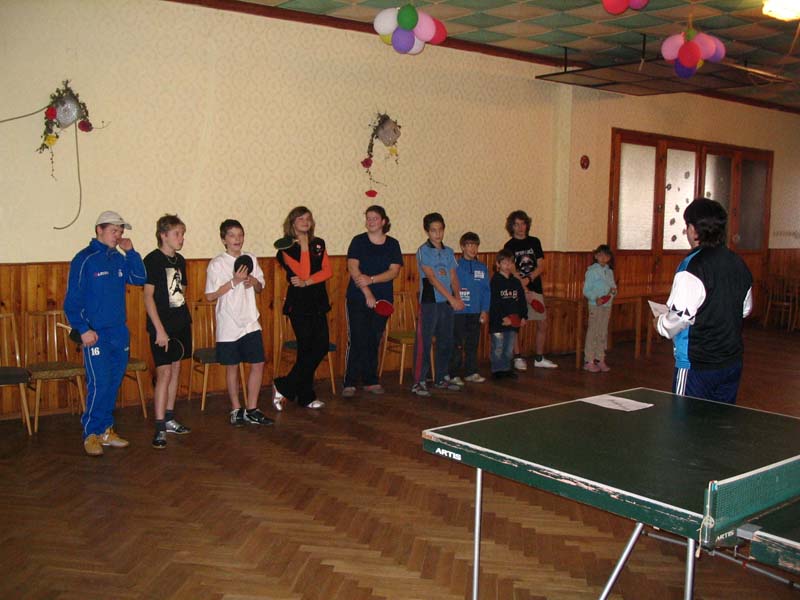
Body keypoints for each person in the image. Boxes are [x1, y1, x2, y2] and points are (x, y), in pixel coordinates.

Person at [64, 210, 147, 457]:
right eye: (113, 231)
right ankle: (91, 433)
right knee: (99, 382)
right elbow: (71, 301)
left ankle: (105, 430)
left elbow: (140, 278)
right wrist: (83, 329)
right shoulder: (84, 259)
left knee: (113, 382)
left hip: (118, 332)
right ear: (99, 230)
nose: (118, 235)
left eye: (120, 231)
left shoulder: (119, 258)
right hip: (95, 334)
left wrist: (131, 252)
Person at [656, 198, 753, 404]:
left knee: (685, 422)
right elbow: (745, 309)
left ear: (693, 230)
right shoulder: (738, 263)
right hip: (731, 362)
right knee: (719, 421)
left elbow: (680, 317)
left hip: (697, 365)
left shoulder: (692, 266)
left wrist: (660, 323)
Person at [204, 219, 273, 426]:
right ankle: (236, 409)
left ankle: (252, 408)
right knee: (232, 367)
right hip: (228, 323)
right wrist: (234, 281)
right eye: (232, 235)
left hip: (250, 320)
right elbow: (210, 295)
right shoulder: (217, 264)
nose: (237, 239)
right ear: (224, 239)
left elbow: (260, 287)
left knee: (258, 363)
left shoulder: (250, 258)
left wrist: (254, 282)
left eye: (240, 235)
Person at [273, 206, 332, 410]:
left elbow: (327, 271)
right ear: (292, 223)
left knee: (320, 346)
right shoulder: (285, 249)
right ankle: (306, 396)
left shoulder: (319, 243)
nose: (305, 221)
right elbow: (303, 271)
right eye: (300, 218)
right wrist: (304, 247)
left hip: (318, 302)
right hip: (298, 305)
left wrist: (307, 282)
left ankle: (285, 385)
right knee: (306, 350)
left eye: (308, 218)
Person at [342, 205, 402, 398]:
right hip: (358, 297)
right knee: (357, 338)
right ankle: (350, 382)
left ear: (384, 221)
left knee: (374, 338)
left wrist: (372, 279)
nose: (371, 221)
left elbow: (394, 271)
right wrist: (367, 293)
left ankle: (370, 380)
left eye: (375, 218)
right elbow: (353, 268)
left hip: (383, 298)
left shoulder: (393, 244)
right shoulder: (358, 241)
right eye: (368, 218)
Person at [143, 214, 192, 449]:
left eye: (182, 234)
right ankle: (160, 426)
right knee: (164, 373)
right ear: (163, 235)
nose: (181, 238)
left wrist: (182, 321)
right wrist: (159, 330)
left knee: (176, 369)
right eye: (177, 234)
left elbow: (181, 292)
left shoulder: (180, 260)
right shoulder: (152, 260)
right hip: (161, 326)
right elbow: (148, 297)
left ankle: (170, 417)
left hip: (180, 323)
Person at [411, 212, 465, 397]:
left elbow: (453, 277)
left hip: (447, 304)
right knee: (424, 342)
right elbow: (432, 278)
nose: (438, 234)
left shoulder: (449, 252)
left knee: (446, 341)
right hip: (430, 302)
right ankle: (418, 382)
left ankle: (441, 378)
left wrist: (457, 298)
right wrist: (451, 298)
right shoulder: (423, 251)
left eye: (440, 230)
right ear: (427, 231)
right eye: (433, 230)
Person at [503, 210, 558, 370]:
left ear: (527, 225)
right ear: (512, 227)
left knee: (542, 323)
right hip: (517, 289)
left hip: (535, 287)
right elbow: (511, 269)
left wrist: (529, 279)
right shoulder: (509, 246)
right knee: (516, 323)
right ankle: (517, 357)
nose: (520, 227)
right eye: (517, 224)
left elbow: (541, 266)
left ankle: (539, 358)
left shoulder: (535, 241)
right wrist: (523, 286)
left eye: (523, 224)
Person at [446, 232, 490, 386]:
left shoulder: (482, 268)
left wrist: (484, 310)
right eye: (469, 245)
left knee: (472, 343)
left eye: (475, 245)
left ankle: (471, 372)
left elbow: (486, 291)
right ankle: (453, 374)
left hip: (475, 312)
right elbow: (450, 286)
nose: (473, 248)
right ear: (463, 247)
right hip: (459, 312)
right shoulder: (456, 266)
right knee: (457, 344)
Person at [489, 249, 528, 379]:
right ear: (498, 264)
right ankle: (497, 370)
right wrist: (503, 317)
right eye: (504, 263)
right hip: (498, 321)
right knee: (498, 347)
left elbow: (521, 300)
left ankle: (506, 368)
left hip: (513, 320)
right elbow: (494, 302)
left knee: (508, 347)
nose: (507, 266)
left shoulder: (516, 282)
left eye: (510, 263)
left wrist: (523, 316)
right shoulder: (495, 281)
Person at [582, 244, 617, 373]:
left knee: (602, 332)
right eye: (600, 255)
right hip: (595, 305)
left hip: (607, 305)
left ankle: (600, 358)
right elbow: (586, 290)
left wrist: (612, 294)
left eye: (606, 256)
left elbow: (613, 288)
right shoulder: (591, 271)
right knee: (593, 331)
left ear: (609, 258)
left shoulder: (609, 272)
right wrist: (595, 298)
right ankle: (589, 360)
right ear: (596, 256)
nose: (603, 258)